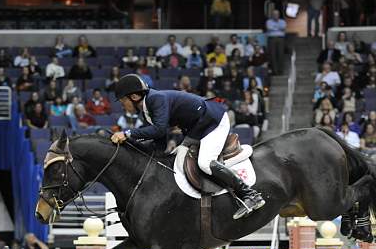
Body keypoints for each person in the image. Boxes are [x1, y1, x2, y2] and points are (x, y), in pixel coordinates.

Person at [110, 74, 265, 219]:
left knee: (205, 163)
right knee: (178, 156)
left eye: (123, 101)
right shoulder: (147, 110)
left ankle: (250, 194)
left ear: (135, 96)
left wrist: (127, 134)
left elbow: (159, 129)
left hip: (212, 121)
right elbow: (159, 142)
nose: (123, 105)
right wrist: (132, 147)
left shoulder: (155, 99)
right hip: (197, 129)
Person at [266, 10, 286, 75]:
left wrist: (274, 27)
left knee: (280, 54)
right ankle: (275, 71)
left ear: (279, 15)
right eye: (274, 14)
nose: (276, 15)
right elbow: (269, 28)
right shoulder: (268, 21)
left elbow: (283, 28)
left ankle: (280, 70)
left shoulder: (282, 21)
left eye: (277, 14)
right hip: (272, 39)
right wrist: (278, 28)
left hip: (280, 39)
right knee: (272, 55)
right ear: (272, 15)